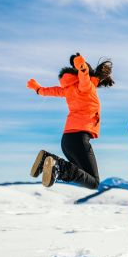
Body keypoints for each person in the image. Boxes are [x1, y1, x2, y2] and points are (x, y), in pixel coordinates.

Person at [26, 53, 114, 190]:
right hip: (79, 139)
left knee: (81, 174)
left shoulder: (69, 89)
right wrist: (81, 66)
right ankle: (57, 167)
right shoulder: (85, 87)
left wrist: (38, 89)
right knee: (94, 182)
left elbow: (52, 91)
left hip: (67, 140)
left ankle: (47, 159)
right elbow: (84, 76)